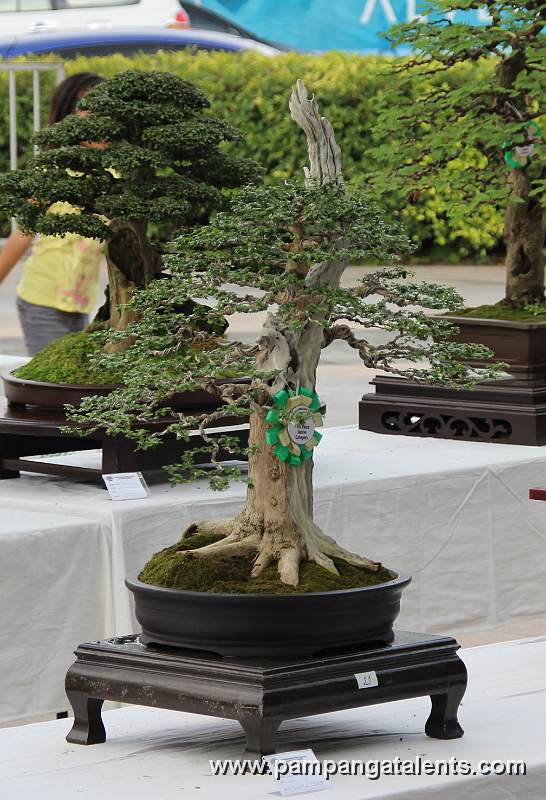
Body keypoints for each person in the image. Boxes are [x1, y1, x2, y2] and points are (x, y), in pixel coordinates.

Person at [0, 72, 105, 355]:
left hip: (80, 301)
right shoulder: (54, 172)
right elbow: (23, 232)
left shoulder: (117, 177)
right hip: (42, 299)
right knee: (52, 382)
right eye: (89, 111)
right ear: (69, 118)